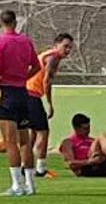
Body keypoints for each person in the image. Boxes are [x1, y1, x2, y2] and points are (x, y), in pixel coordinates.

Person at [0, 10, 42, 196]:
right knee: (25, 140)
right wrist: (23, 78)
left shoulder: (0, 43)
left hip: (6, 93)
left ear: (0, 23)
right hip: (22, 93)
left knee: (10, 141)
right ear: (15, 23)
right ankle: (30, 184)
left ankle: (16, 186)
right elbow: (36, 66)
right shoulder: (25, 41)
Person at [26, 32, 74, 177]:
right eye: (65, 46)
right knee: (43, 131)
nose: (67, 50)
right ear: (56, 45)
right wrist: (50, 103)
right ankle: (40, 168)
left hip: (26, 93)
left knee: (32, 132)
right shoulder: (53, 58)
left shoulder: (47, 54)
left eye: (70, 48)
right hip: (31, 94)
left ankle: (25, 165)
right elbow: (47, 81)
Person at [58, 113, 106, 177]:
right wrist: (90, 161)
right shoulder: (68, 142)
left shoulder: (92, 140)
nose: (88, 131)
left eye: (88, 128)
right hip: (88, 168)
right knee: (101, 136)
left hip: (104, 164)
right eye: (85, 129)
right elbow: (70, 163)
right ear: (76, 128)